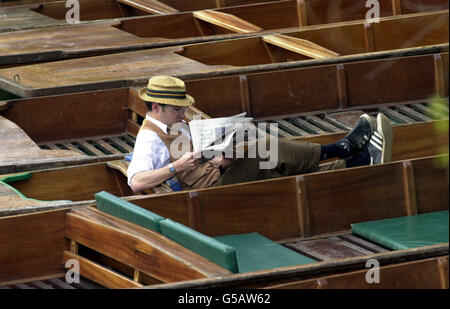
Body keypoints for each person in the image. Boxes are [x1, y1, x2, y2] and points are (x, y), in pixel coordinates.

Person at [127, 75, 392, 193]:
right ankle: (342, 148)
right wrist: (176, 166)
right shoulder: (149, 138)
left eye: (184, 109)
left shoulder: (178, 123)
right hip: (210, 196)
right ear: (155, 107)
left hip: (218, 176)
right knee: (261, 149)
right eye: (177, 110)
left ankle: (356, 163)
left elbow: (202, 164)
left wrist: (223, 160)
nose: (183, 115)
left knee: (273, 169)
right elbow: (136, 182)